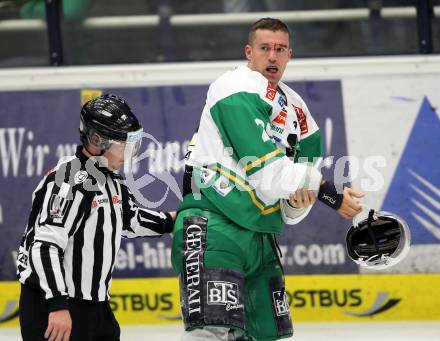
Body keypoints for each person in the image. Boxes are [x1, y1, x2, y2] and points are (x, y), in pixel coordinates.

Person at [171, 18, 364, 341]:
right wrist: (331, 195)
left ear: (290, 54)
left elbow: (291, 201)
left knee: (267, 336)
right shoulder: (233, 87)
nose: (272, 56)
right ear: (249, 52)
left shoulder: (301, 115)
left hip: (262, 238)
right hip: (213, 224)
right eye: (264, 48)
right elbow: (269, 174)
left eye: (279, 49)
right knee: (212, 332)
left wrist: (296, 203)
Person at [16, 94, 176, 341]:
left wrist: (172, 220)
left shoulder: (110, 178)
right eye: (124, 144)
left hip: (94, 305)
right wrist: (57, 305)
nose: (128, 154)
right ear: (96, 139)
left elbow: (128, 219)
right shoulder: (69, 179)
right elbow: (44, 246)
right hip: (56, 308)